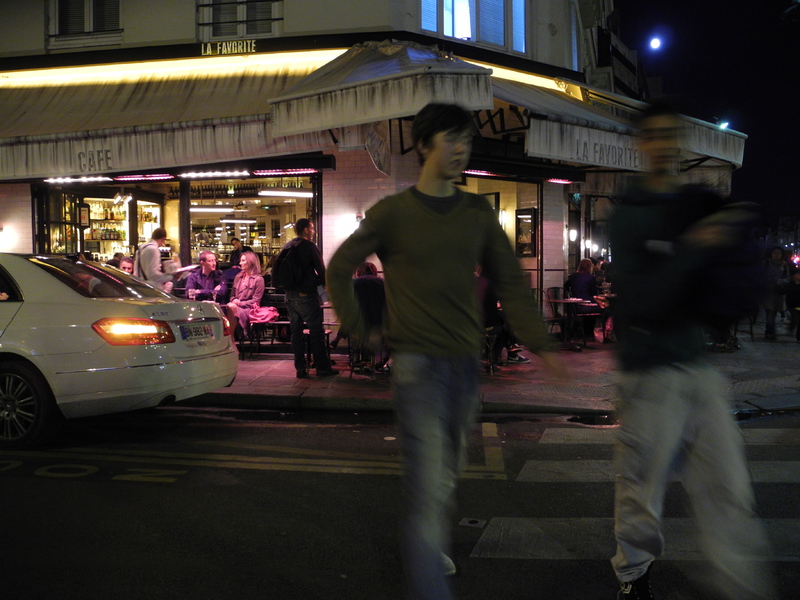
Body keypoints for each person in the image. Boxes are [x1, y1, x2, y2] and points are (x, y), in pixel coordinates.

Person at [327, 103, 561, 600]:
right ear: (423, 145)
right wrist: (361, 328)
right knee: (430, 483)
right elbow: (340, 267)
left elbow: (510, 280)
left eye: (466, 140)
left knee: (447, 475)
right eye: (451, 139)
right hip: (417, 367)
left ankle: (428, 550)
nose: (461, 150)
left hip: (464, 367)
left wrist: (541, 344)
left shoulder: (476, 213)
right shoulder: (393, 213)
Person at [609, 101, 775, 600]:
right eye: (655, 136)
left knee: (728, 484)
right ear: (641, 144)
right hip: (647, 372)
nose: (665, 146)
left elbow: (717, 289)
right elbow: (644, 299)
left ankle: (741, 584)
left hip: (697, 365)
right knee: (642, 492)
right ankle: (633, 577)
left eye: (671, 135)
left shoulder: (692, 204)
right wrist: (696, 245)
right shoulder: (629, 215)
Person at [278, 218, 338, 378]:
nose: (314, 231)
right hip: (306, 296)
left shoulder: (288, 246)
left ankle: (300, 368)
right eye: (312, 228)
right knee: (316, 332)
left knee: (296, 334)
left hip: (290, 296)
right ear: (306, 229)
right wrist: (327, 289)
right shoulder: (310, 246)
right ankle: (322, 368)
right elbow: (321, 270)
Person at [225, 250, 265, 348]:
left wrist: (239, 303)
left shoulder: (258, 279)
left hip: (250, 309)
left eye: (243, 261)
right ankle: (231, 339)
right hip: (235, 307)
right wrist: (234, 300)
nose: (240, 263)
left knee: (231, 307)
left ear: (250, 262)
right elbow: (232, 295)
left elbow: (256, 301)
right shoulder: (238, 277)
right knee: (230, 307)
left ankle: (230, 339)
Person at [133, 227, 181, 292]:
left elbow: (136, 272)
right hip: (151, 289)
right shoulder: (153, 249)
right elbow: (153, 275)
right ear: (163, 239)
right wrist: (171, 277)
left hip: (140, 287)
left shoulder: (140, 249)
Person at [761, 246, 791, 340]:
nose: (776, 255)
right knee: (770, 312)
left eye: (779, 253)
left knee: (773, 313)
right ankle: (770, 332)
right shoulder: (766, 263)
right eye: (775, 253)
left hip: (778, 292)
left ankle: (770, 331)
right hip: (768, 292)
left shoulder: (784, 265)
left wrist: (782, 281)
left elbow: (787, 277)